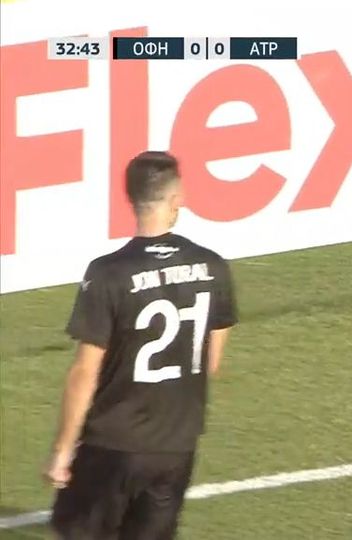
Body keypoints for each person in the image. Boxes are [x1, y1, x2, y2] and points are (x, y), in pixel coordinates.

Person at [44, 151, 238, 539]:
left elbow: (85, 371)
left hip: (111, 443)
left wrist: (63, 448)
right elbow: (210, 361)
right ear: (177, 199)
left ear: (130, 199)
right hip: (175, 445)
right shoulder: (213, 266)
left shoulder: (108, 273)